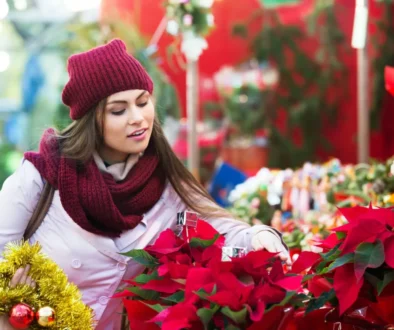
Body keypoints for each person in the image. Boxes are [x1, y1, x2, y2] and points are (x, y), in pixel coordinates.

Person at [0, 39, 289, 330]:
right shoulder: (41, 177)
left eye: (142, 102)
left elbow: (222, 231)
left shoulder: (164, 183)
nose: (138, 118)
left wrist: (259, 237)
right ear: (91, 121)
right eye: (118, 110)